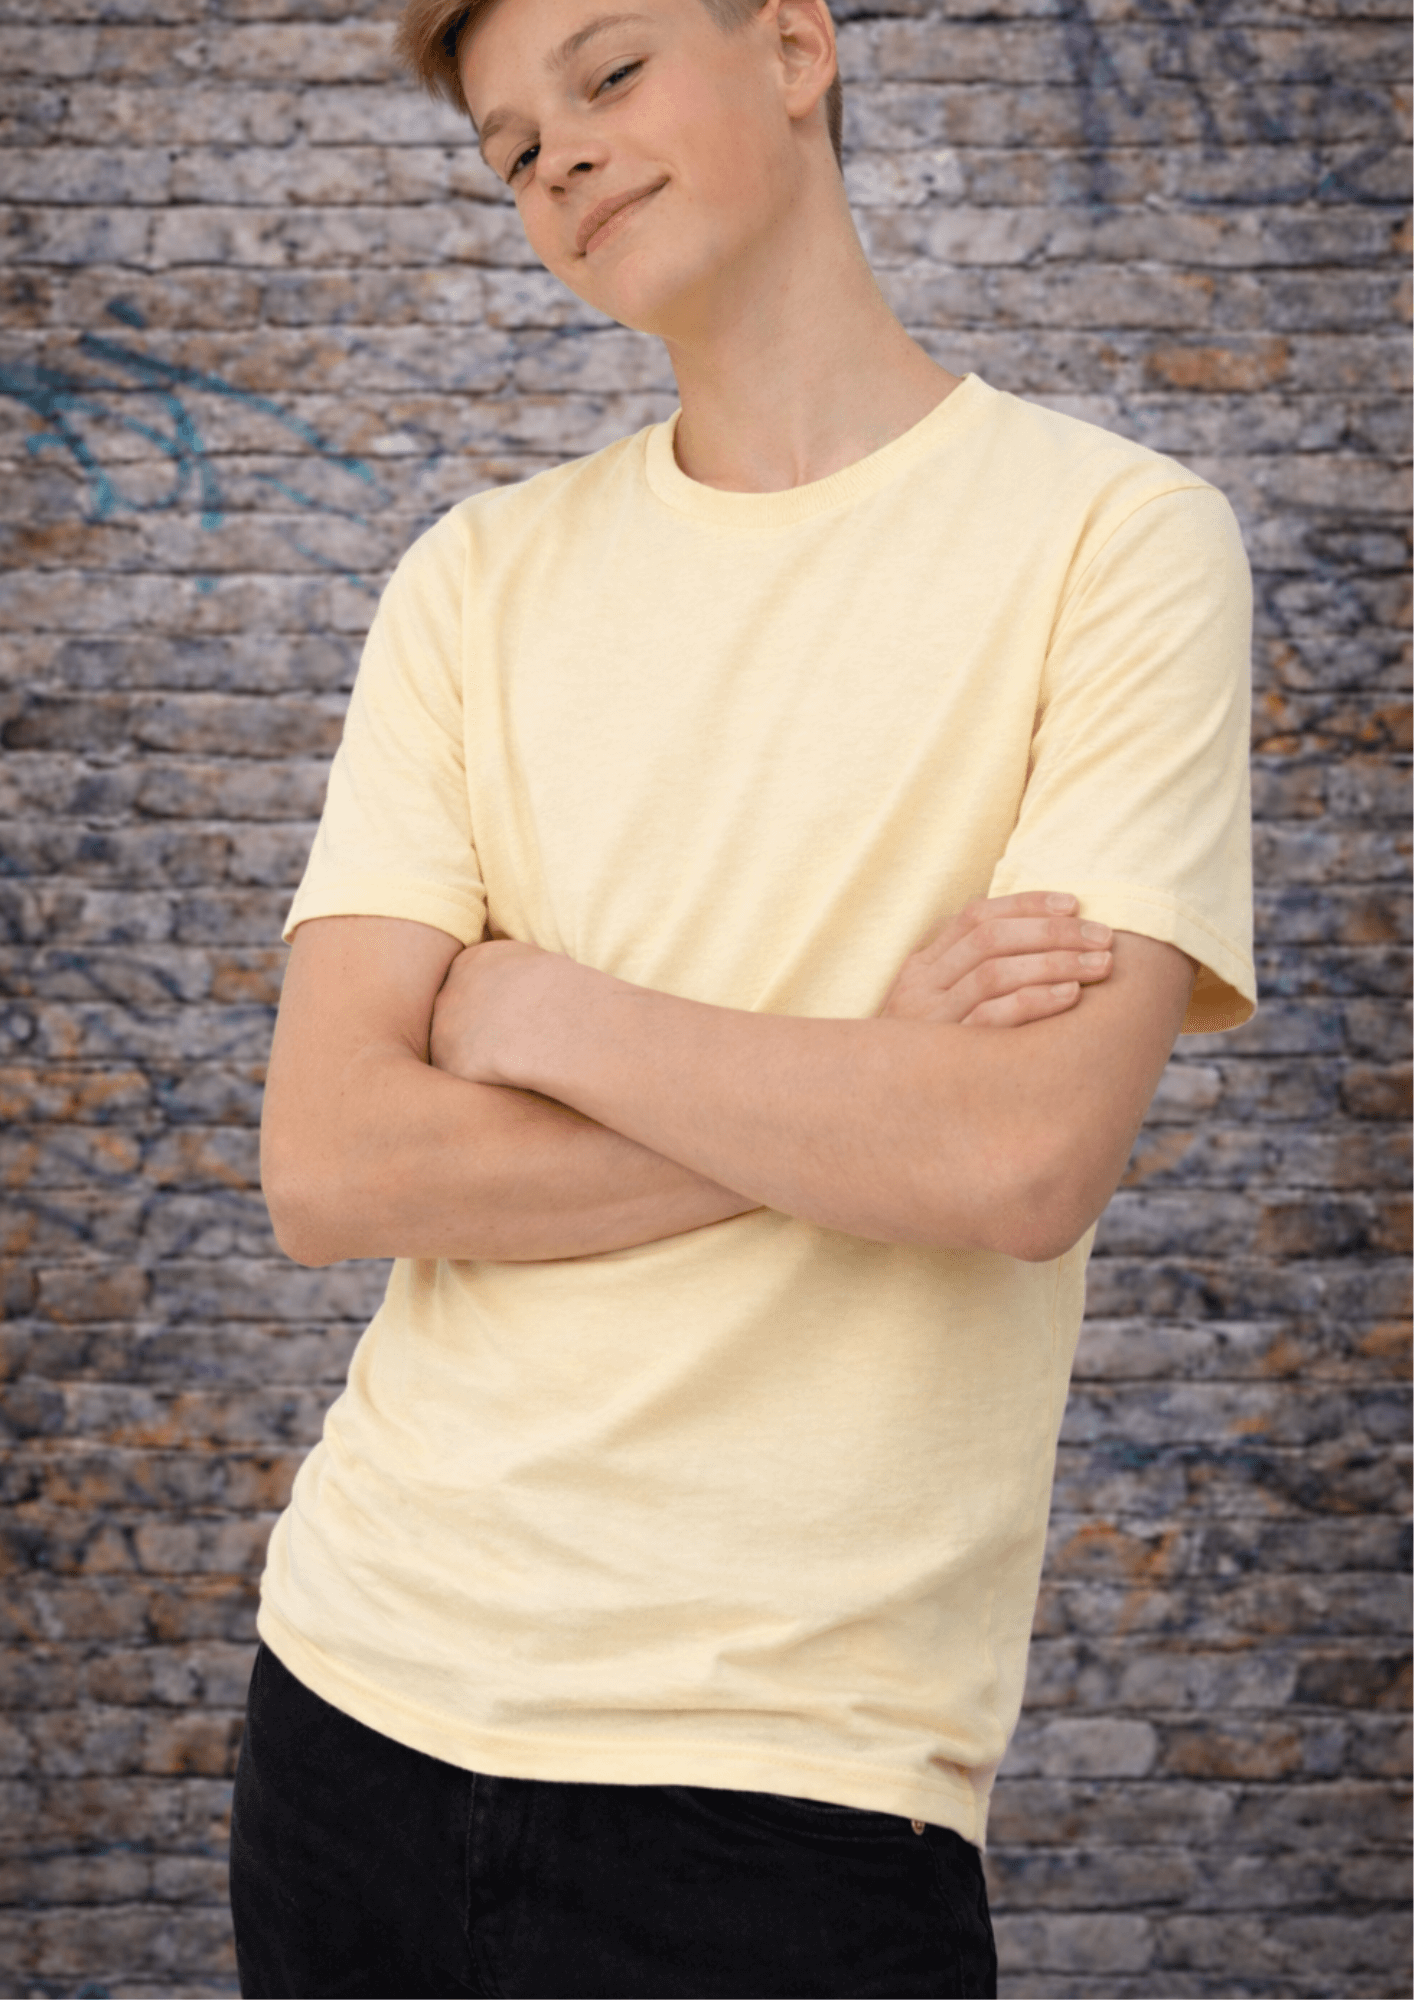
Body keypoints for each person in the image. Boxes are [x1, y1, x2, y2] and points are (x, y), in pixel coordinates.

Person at [227, 0, 1256, 1992]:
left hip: (791, 1772)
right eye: (511, 149)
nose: (560, 155)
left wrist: (542, 1015)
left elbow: (1016, 1162)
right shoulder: (473, 580)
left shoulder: (1114, 544)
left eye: (607, 75)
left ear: (793, 49)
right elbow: (331, 1165)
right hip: (359, 1697)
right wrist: (868, 1093)